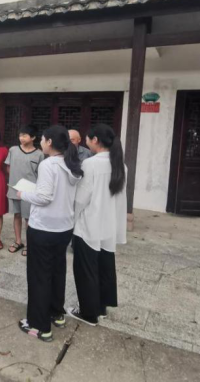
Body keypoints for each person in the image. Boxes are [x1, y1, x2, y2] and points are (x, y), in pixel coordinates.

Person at [17, 125, 83, 343]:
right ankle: (56, 313)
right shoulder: (71, 164)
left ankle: (39, 325)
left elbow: (44, 197)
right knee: (57, 271)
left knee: (40, 276)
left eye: (43, 140)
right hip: (64, 227)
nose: (41, 143)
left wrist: (23, 194)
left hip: (43, 228)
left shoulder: (48, 164)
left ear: (50, 142)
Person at [67, 124, 127, 326]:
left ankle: (88, 313)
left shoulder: (91, 164)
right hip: (108, 225)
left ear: (95, 140)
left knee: (86, 270)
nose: (85, 142)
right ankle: (101, 307)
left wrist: (71, 219)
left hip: (89, 224)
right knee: (104, 267)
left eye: (87, 138)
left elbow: (81, 199)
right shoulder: (120, 165)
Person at [5, 125, 44, 257]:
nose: (21, 138)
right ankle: (18, 241)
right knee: (17, 215)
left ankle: (29, 244)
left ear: (33, 137)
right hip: (14, 189)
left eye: (24, 135)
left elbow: (40, 174)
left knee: (28, 218)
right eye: (20, 135)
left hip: (30, 192)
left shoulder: (39, 154)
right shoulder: (13, 150)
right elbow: (8, 168)